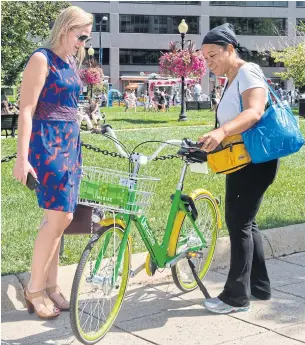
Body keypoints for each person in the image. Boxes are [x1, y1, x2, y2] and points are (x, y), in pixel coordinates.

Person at [13, 6, 93, 319]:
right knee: (59, 218)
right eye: (81, 34)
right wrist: (22, 158)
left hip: (70, 144)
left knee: (60, 217)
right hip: (47, 144)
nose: (84, 41)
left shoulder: (71, 60)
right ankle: (34, 289)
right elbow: (26, 110)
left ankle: (50, 284)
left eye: (87, 36)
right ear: (65, 28)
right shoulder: (41, 58)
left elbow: (68, 102)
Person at [200, 23, 278, 314]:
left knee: (239, 223)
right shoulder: (233, 78)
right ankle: (260, 288)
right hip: (243, 159)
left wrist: (221, 133)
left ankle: (236, 297)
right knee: (248, 222)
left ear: (230, 49)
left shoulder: (248, 71)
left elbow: (254, 112)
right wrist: (212, 139)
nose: (209, 62)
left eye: (213, 55)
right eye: (205, 58)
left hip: (255, 161)